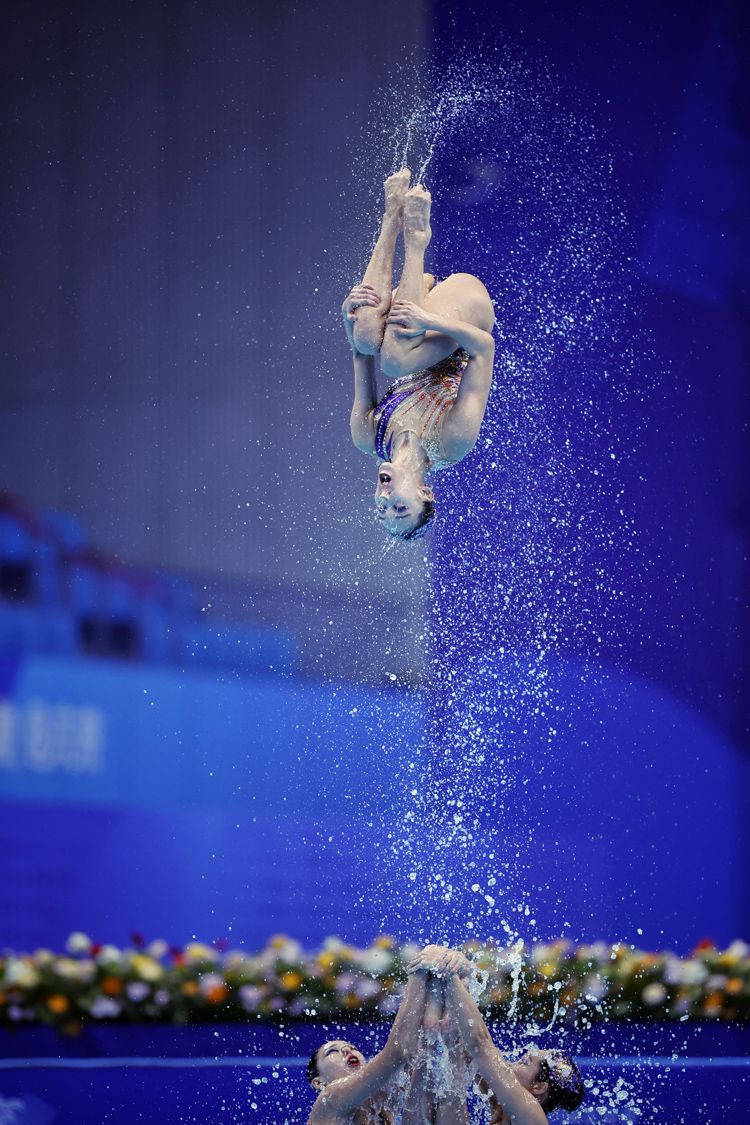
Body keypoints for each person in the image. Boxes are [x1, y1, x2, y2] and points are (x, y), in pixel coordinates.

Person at [343, 169, 495, 541]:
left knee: (366, 334)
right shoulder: (453, 443)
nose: (386, 499)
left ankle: (392, 216)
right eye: (401, 508)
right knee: (395, 359)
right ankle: (417, 239)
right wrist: (429, 319)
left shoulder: (367, 435)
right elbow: (483, 348)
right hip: (465, 315)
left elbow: (360, 353)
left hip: (412, 326)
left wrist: (348, 315)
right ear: (425, 493)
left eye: (381, 509)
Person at [406, 945, 586, 1122]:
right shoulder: (503, 1106)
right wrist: (463, 977)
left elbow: (481, 1045)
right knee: (453, 1067)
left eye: (524, 1062)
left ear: (538, 1087)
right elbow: (465, 1052)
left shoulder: (533, 1117)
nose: (511, 1063)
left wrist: (448, 971)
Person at [306, 972, 427, 1123]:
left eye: (353, 1048)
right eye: (332, 1051)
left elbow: (419, 1049)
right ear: (319, 1082)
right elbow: (397, 1052)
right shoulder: (329, 1099)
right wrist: (419, 975)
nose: (347, 1050)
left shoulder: (380, 1100)